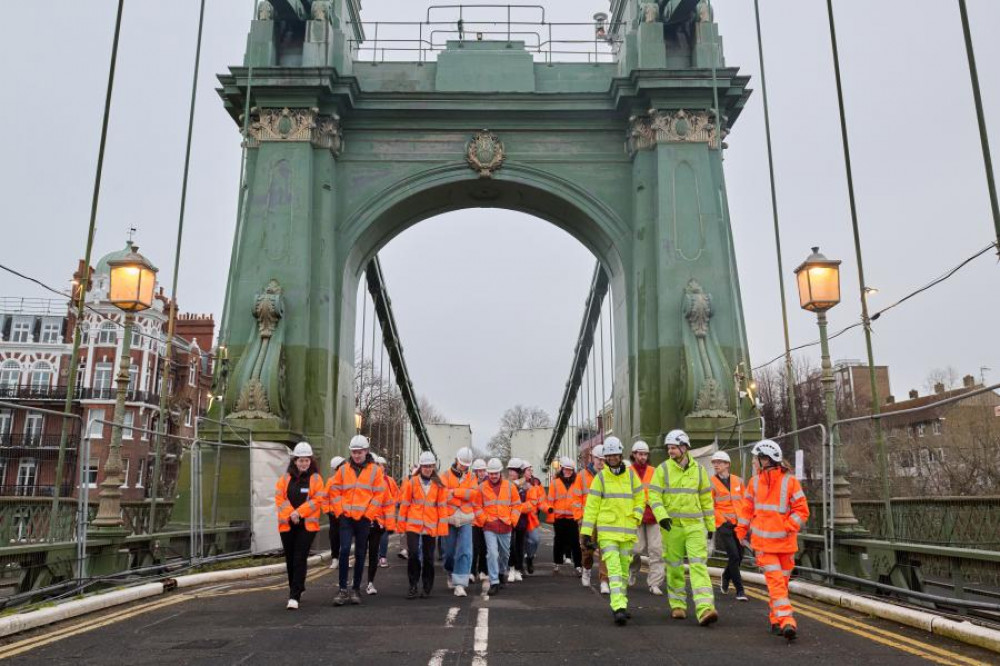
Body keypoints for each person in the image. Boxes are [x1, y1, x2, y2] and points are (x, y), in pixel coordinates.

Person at [736, 440, 809, 641]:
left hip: (785, 544)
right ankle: (787, 620)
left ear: (765, 459)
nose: (753, 462)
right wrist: (740, 530)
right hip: (764, 546)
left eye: (755, 459)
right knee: (777, 583)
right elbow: (746, 509)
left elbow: (802, 511)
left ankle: (775, 620)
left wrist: (788, 526)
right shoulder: (754, 482)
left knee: (781, 585)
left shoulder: (790, 481)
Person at [649, 429, 719, 626]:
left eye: (673, 447)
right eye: (668, 448)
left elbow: (706, 499)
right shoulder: (662, 470)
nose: (670, 451)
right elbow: (653, 496)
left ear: (684, 447)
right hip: (672, 527)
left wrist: (710, 525)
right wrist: (662, 517)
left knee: (699, 566)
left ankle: (705, 608)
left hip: (695, 526)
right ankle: (678, 604)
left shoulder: (699, 471)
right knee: (674, 567)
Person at [580, 437, 644, 626]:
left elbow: (640, 499)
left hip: (627, 532)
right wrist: (586, 533)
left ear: (620, 454)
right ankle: (618, 608)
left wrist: (636, 517)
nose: (613, 458)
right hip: (608, 533)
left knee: (623, 571)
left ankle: (621, 602)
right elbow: (591, 507)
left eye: (615, 454)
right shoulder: (600, 478)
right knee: (614, 570)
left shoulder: (632, 476)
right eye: (609, 455)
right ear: (606, 458)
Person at [328, 434, 386, 606]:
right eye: (353, 452)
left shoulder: (375, 470)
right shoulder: (344, 469)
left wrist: (369, 514)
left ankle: (355, 589)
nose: (356, 455)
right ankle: (342, 590)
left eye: (359, 452)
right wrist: (339, 511)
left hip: (363, 519)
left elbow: (379, 494)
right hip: (346, 518)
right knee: (344, 550)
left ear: (366, 451)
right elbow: (335, 490)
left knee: (361, 553)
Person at [275, 442, 326, 609]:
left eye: (307, 460)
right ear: (294, 461)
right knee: (290, 559)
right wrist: (291, 513)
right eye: (300, 460)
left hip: (306, 525)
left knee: (299, 557)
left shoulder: (316, 479)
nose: (304, 463)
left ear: (311, 461)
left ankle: (294, 596)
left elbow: (317, 500)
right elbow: (279, 499)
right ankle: (296, 587)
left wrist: (299, 513)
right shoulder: (284, 479)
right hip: (288, 525)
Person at [397, 451, 449, 599]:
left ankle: (427, 586)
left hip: (430, 526)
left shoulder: (439, 485)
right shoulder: (412, 482)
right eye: (425, 466)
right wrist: (401, 524)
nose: (427, 468)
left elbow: (442, 507)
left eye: (430, 466)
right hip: (413, 525)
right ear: (420, 467)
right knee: (413, 554)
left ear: (434, 467)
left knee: (428, 558)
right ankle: (412, 585)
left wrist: (442, 528)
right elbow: (405, 504)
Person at [477, 457, 521, 595]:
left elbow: (517, 505)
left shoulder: (510, 486)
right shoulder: (481, 488)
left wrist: (513, 520)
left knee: (504, 554)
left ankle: (502, 573)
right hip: (489, 527)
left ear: (500, 473)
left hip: (506, 526)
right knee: (492, 553)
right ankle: (494, 581)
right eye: (491, 473)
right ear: (488, 473)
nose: (493, 476)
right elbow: (477, 507)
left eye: (495, 473)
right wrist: (484, 520)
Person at [440, 447, 480, 597]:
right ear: (457, 460)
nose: (464, 467)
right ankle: (450, 572)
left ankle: (460, 583)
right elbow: (443, 495)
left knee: (464, 551)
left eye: (467, 465)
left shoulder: (472, 477)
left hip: (466, 518)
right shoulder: (444, 475)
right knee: (449, 553)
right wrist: (463, 495)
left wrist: (455, 492)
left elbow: (474, 494)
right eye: (463, 464)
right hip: (449, 518)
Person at [627, 440, 665, 596]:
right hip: (635, 515)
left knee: (657, 551)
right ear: (634, 455)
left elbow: (660, 492)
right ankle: (632, 571)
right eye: (640, 454)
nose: (643, 457)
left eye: (645, 454)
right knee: (635, 549)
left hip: (653, 516)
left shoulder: (654, 471)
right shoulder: (628, 472)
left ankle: (654, 583)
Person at [710, 450, 747, 601]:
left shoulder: (738, 481)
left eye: (719, 462)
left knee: (739, 557)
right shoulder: (711, 482)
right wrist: (721, 521)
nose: (716, 465)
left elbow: (746, 502)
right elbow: (709, 505)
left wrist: (746, 522)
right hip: (723, 525)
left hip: (740, 525)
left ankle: (725, 576)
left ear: (727, 464)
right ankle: (740, 590)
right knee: (733, 555)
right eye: (714, 462)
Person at [580, 445, 610, 594]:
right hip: (588, 518)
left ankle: (604, 580)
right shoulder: (582, 476)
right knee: (588, 550)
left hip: (605, 518)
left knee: (605, 549)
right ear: (592, 458)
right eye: (598, 458)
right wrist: (580, 517)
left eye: (604, 459)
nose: (601, 462)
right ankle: (586, 569)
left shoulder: (610, 476)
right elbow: (575, 497)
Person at [364, 455, 396, 595]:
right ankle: (356, 581)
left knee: (373, 554)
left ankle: (370, 582)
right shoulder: (361, 481)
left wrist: (389, 526)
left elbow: (389, 504)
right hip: (361, 522)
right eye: (373, 464)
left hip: (377, 524)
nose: (375, 466)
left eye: (378, 464)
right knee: (360, 553)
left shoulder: (385, 484)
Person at [547, 456, 583, 575]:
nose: (568, 471)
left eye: (570, 470)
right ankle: (557, 564)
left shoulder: (577, 482)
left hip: (573, 517)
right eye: (566, 469)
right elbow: (550, 500)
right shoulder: (555, 483)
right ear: (561, 469)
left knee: (575, 542)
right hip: (559, 517)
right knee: (558, 541)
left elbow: (580, 499)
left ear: (573, 471)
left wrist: (580, 515)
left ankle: (578, 565)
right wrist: (551, 516)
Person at [522, 462, 549, 575]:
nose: (531, 472)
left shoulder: (536, 483)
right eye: (528, 470)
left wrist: (548, 509)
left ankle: (530, 558)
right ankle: (520, 567)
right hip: (519, 517)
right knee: (520, 542)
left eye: (531, 470)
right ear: (522, 471)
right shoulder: (515, 483)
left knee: (535, 540)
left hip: (531, 518)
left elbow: (541, 500)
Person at [506, 458, 530, 582]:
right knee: (511, 545)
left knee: (520, 545)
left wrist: (519, 508)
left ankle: (518, 569)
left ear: (519, 472)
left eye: (514, 470)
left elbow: (530, 503)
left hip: (521, 520)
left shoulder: (527, 486)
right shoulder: (506, 485)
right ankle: (510, 568)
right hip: (509, 519)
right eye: (510, 470)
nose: (511, 473)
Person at [325, 455, 345, 570]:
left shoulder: (349, 480)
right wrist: (328, 511)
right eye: (342, 465)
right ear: (337, 468)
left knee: (345, 537)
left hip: (346, 514)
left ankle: (344, 559)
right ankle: (335, 559)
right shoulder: (331, 481)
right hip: (333, 515)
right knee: (334, 537)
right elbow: (324, 497)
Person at [471, 458, 489, 581]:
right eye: (479, 471)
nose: (481, 473)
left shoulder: (489, 484)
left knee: (484, 547)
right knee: (474, 547)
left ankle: (483, 570)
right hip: (473, 520)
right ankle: (471, 572)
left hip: (485, 519)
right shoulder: (470, 483)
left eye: (483, 470)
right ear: (475, 471)